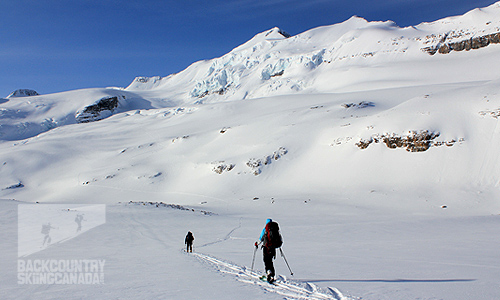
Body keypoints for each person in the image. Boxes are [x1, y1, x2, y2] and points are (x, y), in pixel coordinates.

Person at [255, 218, 281, 283]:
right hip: (273, 248)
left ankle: (269, 273)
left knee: (266, 260)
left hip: (266, 248)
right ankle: (272, 275)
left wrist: (256, 243)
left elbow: (261, 239)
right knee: (270, 261)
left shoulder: (265, 229)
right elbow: (279, 238)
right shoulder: (275, 229)